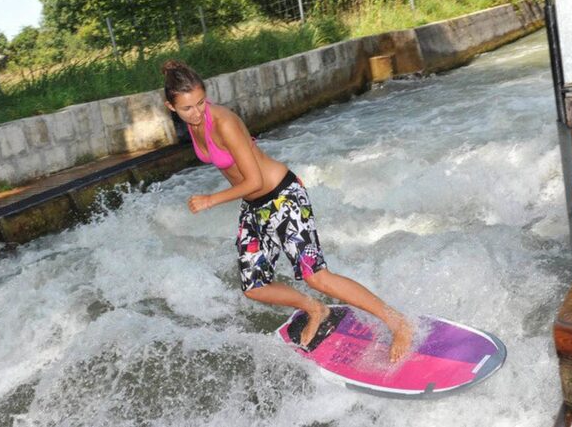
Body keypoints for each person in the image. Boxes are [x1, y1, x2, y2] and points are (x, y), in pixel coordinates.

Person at [162, 59, 412, 362]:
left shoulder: (223, 122)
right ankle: (314, 309)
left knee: (316, 276)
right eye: (188, 108)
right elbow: (246, 182)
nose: (197, 112)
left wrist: (211, 200)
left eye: (201, 102)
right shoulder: (193, 126)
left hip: (283, 196)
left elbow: (253, 178)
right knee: (255, 287)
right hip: (255, 205)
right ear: (171, 107)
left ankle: (398, 322)